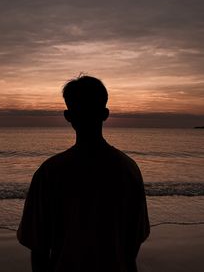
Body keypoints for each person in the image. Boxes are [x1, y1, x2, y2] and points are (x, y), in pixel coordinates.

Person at [17, 75, 150, 272]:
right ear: (105, 114)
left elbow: (38, 247)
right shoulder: (128, 169)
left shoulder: (50, 172)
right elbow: (133, 242)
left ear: (68, 116)